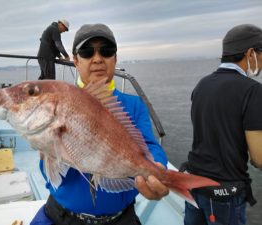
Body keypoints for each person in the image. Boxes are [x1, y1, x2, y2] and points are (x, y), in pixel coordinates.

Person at [30, 23, 169, 225]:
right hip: (61, 216)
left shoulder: (133, 105)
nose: (97, 59)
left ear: (115, 59)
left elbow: (151, 146)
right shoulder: (56, 103)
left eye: (106, 51)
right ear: (76, 61)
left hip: (121, 218)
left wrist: (157, 168)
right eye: (87, 52)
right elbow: (50, 174)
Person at [182, 24, 262, 225]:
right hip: (224, 194)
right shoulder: (252, 91)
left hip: (194, 185)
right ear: (250, 52)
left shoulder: (202, 85)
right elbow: (259, 158)